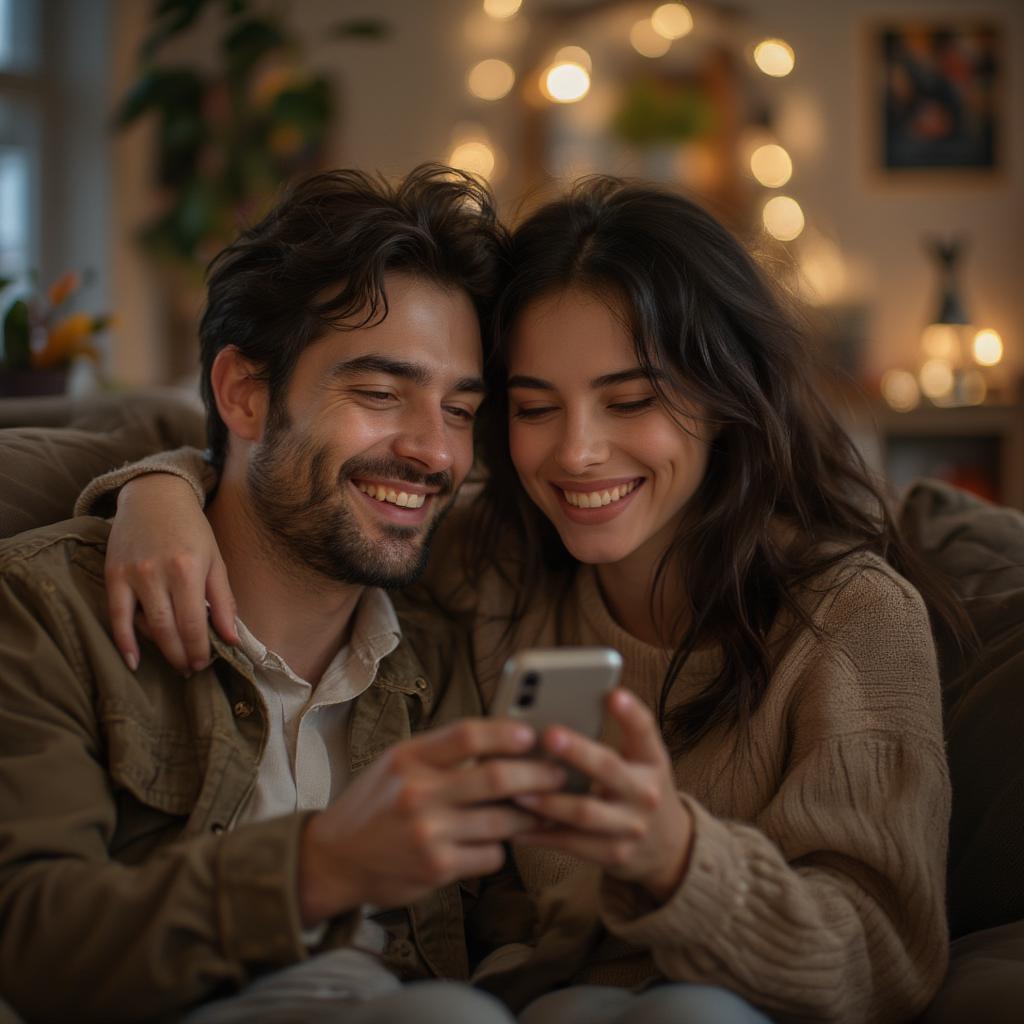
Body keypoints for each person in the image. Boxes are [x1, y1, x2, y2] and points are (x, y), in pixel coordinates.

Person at [75, 177, 961, 1023]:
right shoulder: (493, 564)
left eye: (631, 400)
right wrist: (160, 495)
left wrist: (673, 857)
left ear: (729, 397)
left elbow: (884, 959)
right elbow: (296, 470)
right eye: (536, 408)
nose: (577, 453)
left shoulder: (851, 618)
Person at [0, 166, 572, 1024]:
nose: (434, 454)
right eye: (380, 393)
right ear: (244, 394)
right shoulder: (49, 613)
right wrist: (320, 868)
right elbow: (34, 949)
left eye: (459, 411)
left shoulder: (438, 650)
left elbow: (499, 933)